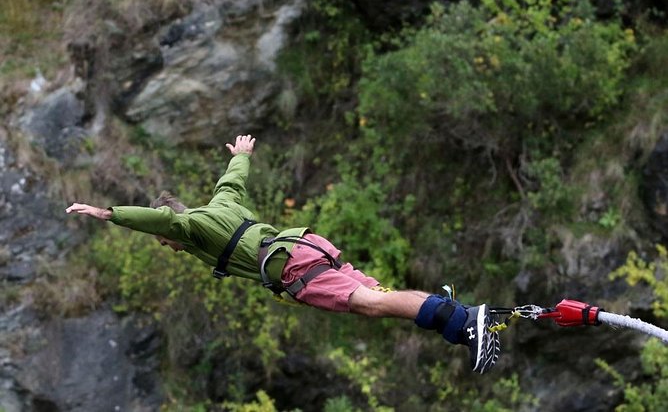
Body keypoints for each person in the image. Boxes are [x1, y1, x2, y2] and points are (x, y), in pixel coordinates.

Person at [66, 134, 500, 374]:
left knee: (373, 303)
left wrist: (108, 213)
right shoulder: (220, 205)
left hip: (292, 267)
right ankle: (464, 323)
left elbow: (163, 222)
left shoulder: (192, 227)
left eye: (167, 243)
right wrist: (241, 156)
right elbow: (232, 181)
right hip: (308, 246)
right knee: (377, 299)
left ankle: (461, 319)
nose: (170, 246)